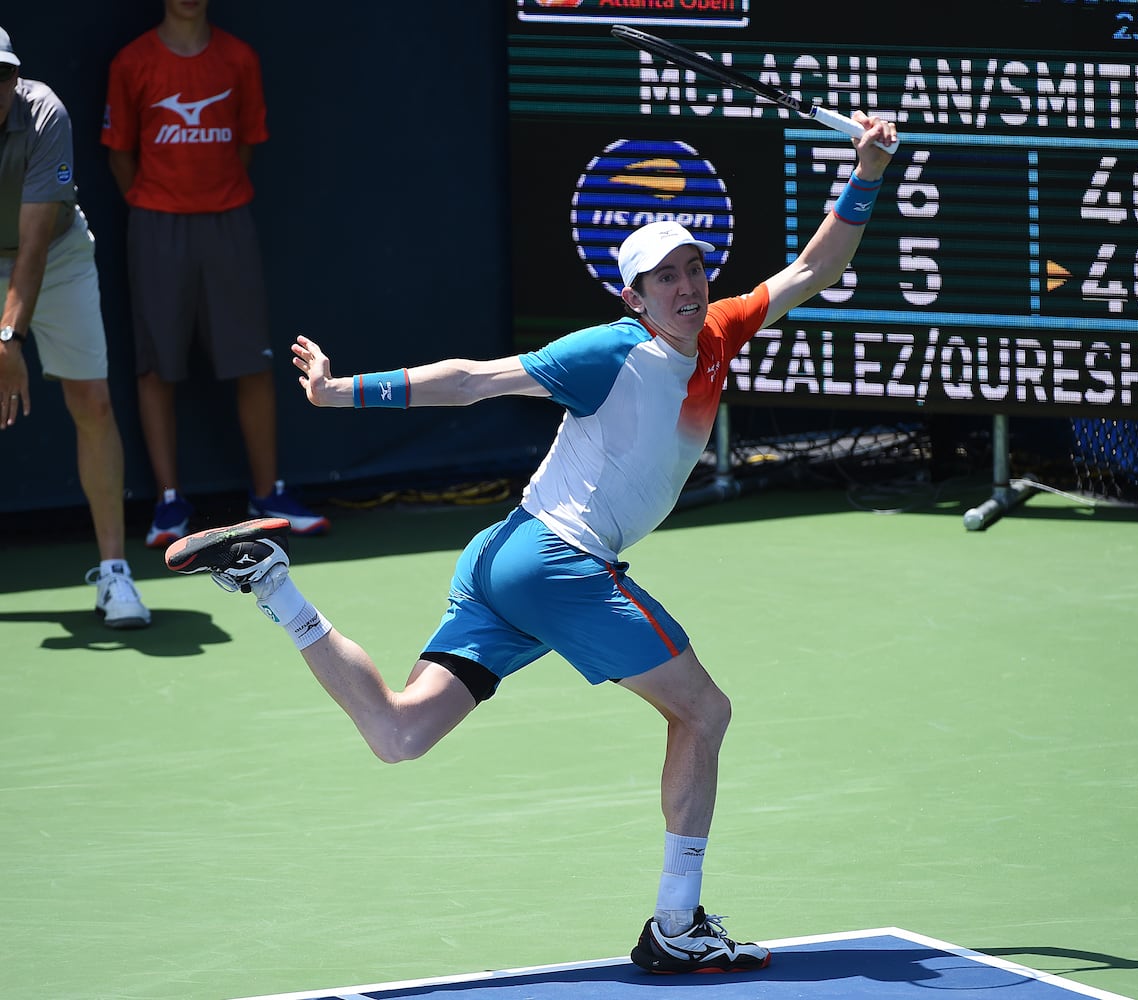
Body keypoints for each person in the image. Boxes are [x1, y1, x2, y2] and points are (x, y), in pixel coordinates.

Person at [167, 110, 897, 973]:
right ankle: (677, 925)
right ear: (633, 296)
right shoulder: (607, 352)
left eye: (694, 268)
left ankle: (277, 586)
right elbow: (474, 381)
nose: (687, 287)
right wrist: (339, 395)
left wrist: (869, 170)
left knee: (400, 735)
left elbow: (818, 266)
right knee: (704, 711)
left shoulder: (722, 331)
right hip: (557, 560)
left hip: (504, 559)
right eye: (664, 279)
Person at [102, 0, 328, 548]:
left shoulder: (238, 59)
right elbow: (120, 153)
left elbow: (247, 145)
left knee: (253, 359)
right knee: (157, 365)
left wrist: (210, 201)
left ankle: (268, 493)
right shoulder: (131, 62)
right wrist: (157, 205)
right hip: (156, 225)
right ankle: (169, 502)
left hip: (228, 222)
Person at [0, 26, 151, 629]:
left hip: (55, 255)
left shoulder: (44, 115)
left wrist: (8, 338)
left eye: (6, 73)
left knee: (92, 402)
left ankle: (114, 573)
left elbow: (33, 247)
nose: (1, 85)